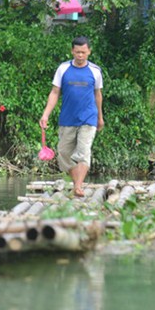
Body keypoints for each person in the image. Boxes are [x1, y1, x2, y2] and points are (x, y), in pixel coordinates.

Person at [39, 36, 104, 197]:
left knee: (83, 151)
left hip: (88, 118)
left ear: (89, 51)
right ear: (72, 51)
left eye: (83, 52)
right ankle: (77, 185)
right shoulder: (63, 69)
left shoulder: (95, 71)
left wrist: (100, 117)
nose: (80, 55)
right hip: (67, 118)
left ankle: (78, 186)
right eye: (77, 52)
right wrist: (45, 115)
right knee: (64, 154)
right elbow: (55, 92)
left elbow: (98, 95)